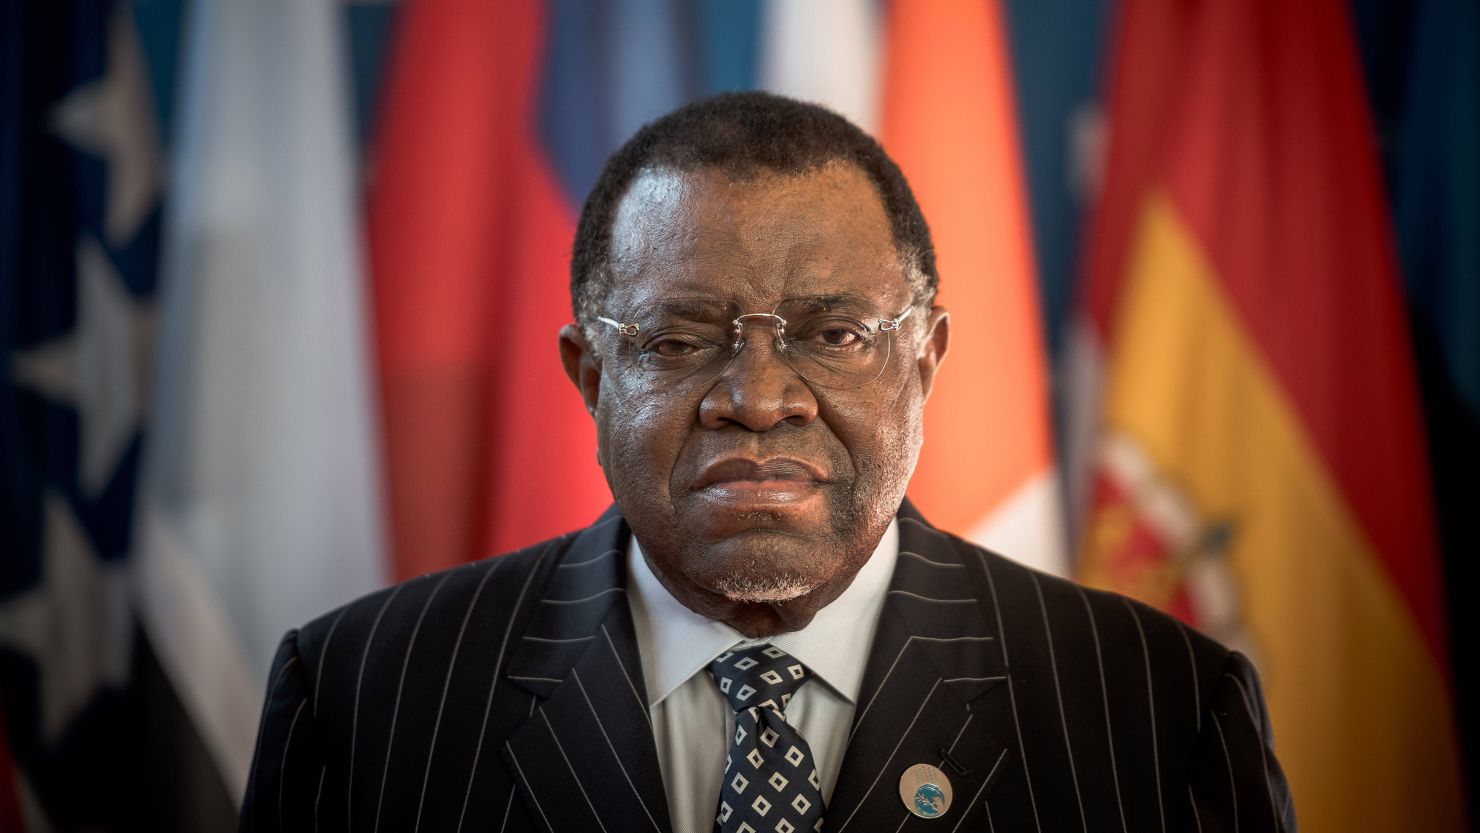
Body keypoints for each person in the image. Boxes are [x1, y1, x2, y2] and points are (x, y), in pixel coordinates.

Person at [241, 92, 1294, 833]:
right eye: (676, 338)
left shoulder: (1154, 707)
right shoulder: (363, 697)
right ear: (590, 374)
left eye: (834, 334)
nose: (755, 397)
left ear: (925, 361)